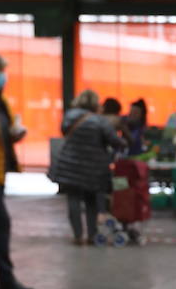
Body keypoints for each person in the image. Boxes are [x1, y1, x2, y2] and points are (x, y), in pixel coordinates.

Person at [52, 89, 126, 245]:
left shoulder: (69, 117)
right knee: (91, 200)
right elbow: (114, 140)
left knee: (73, 199)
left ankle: (78, 236)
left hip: (70, 165)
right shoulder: (100, 121)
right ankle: (92, 235)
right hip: (93, 167)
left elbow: (64, 132)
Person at [0, 52, 33, 289]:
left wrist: (14, 134)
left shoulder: (1, 102)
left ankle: (7, 280)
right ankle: (7, 281)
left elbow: (5, 133)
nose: (2, 78)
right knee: (1, 224)